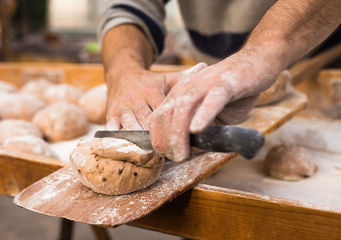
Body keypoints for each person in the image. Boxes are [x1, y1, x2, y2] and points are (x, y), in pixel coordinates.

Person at [98, 0, 341, 162]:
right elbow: (129, 7)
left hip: (324, 74)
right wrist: (124, 70)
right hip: (213, 80)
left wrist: (263, 52)